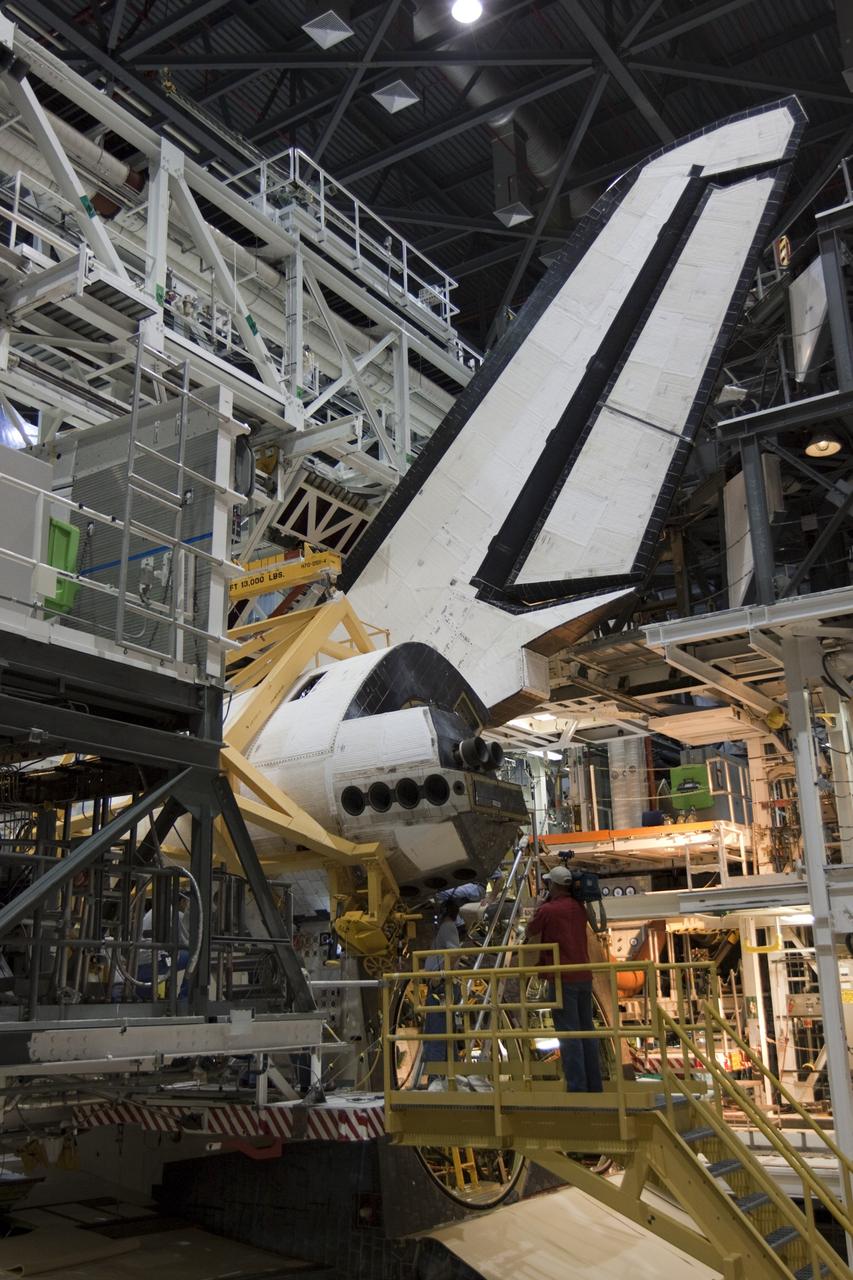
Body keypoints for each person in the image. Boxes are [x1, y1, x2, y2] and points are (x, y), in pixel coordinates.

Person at [526, 865, 603, 1093]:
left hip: (562, 979)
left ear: (554, 885)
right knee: (586, 1031)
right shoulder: (579, 908)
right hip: (583, 976)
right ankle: (594, 1085)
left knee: (569, 1035)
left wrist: (539, 905)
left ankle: (577, 1088)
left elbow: (530, 930)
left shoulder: (548, 910)